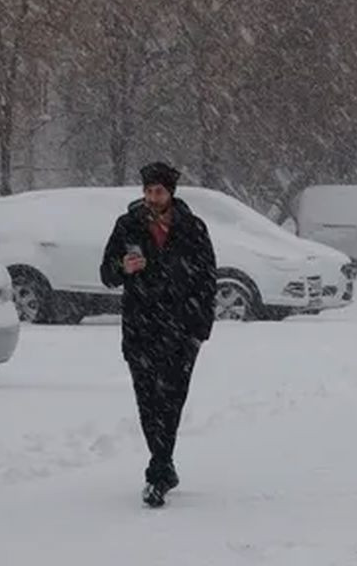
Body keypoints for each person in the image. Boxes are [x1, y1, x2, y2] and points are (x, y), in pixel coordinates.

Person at [100, 161, 217, 508]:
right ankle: (163, 463)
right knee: (148, 401)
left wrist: (199, 331)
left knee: (172, 401)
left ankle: (158, 470)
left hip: (181, 331)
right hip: (141, 329)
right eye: (149, 191)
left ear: (171, 193)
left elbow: (207, 280)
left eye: (160, 192)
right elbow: (106, 272)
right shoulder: (127, 226)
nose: (153, 197)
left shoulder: (193, 228)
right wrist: (123, 267)